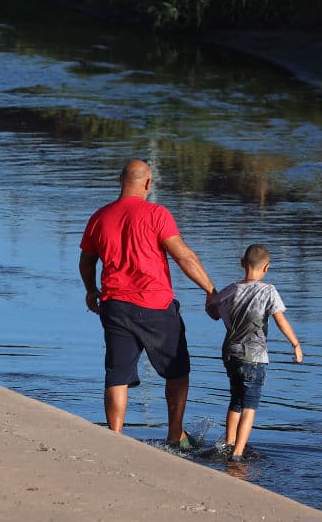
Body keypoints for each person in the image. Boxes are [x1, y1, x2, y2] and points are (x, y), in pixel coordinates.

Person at [79, 159, 215, 448]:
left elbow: (87, 260)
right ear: (148, 184)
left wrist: (91, 291)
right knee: (177, 370)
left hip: (115, 304)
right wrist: (210, 289)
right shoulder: (157, 214)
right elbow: (183, 256)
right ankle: (174, 435)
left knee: (117, 373)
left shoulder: (99, 217)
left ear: (120, 181)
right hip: (155, 305)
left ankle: (115, 436)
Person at [207, 244, 303, 462]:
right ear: (266, 267)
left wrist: (213, 299)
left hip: (230, 354)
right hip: (254, 357)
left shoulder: (231, 289)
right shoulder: (268, 290)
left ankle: (228, 444)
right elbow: (280, 320)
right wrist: (295, 344)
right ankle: (238, 454)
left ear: (242, 263)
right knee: (250, 404)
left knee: (235, 400)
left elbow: (213, 309)